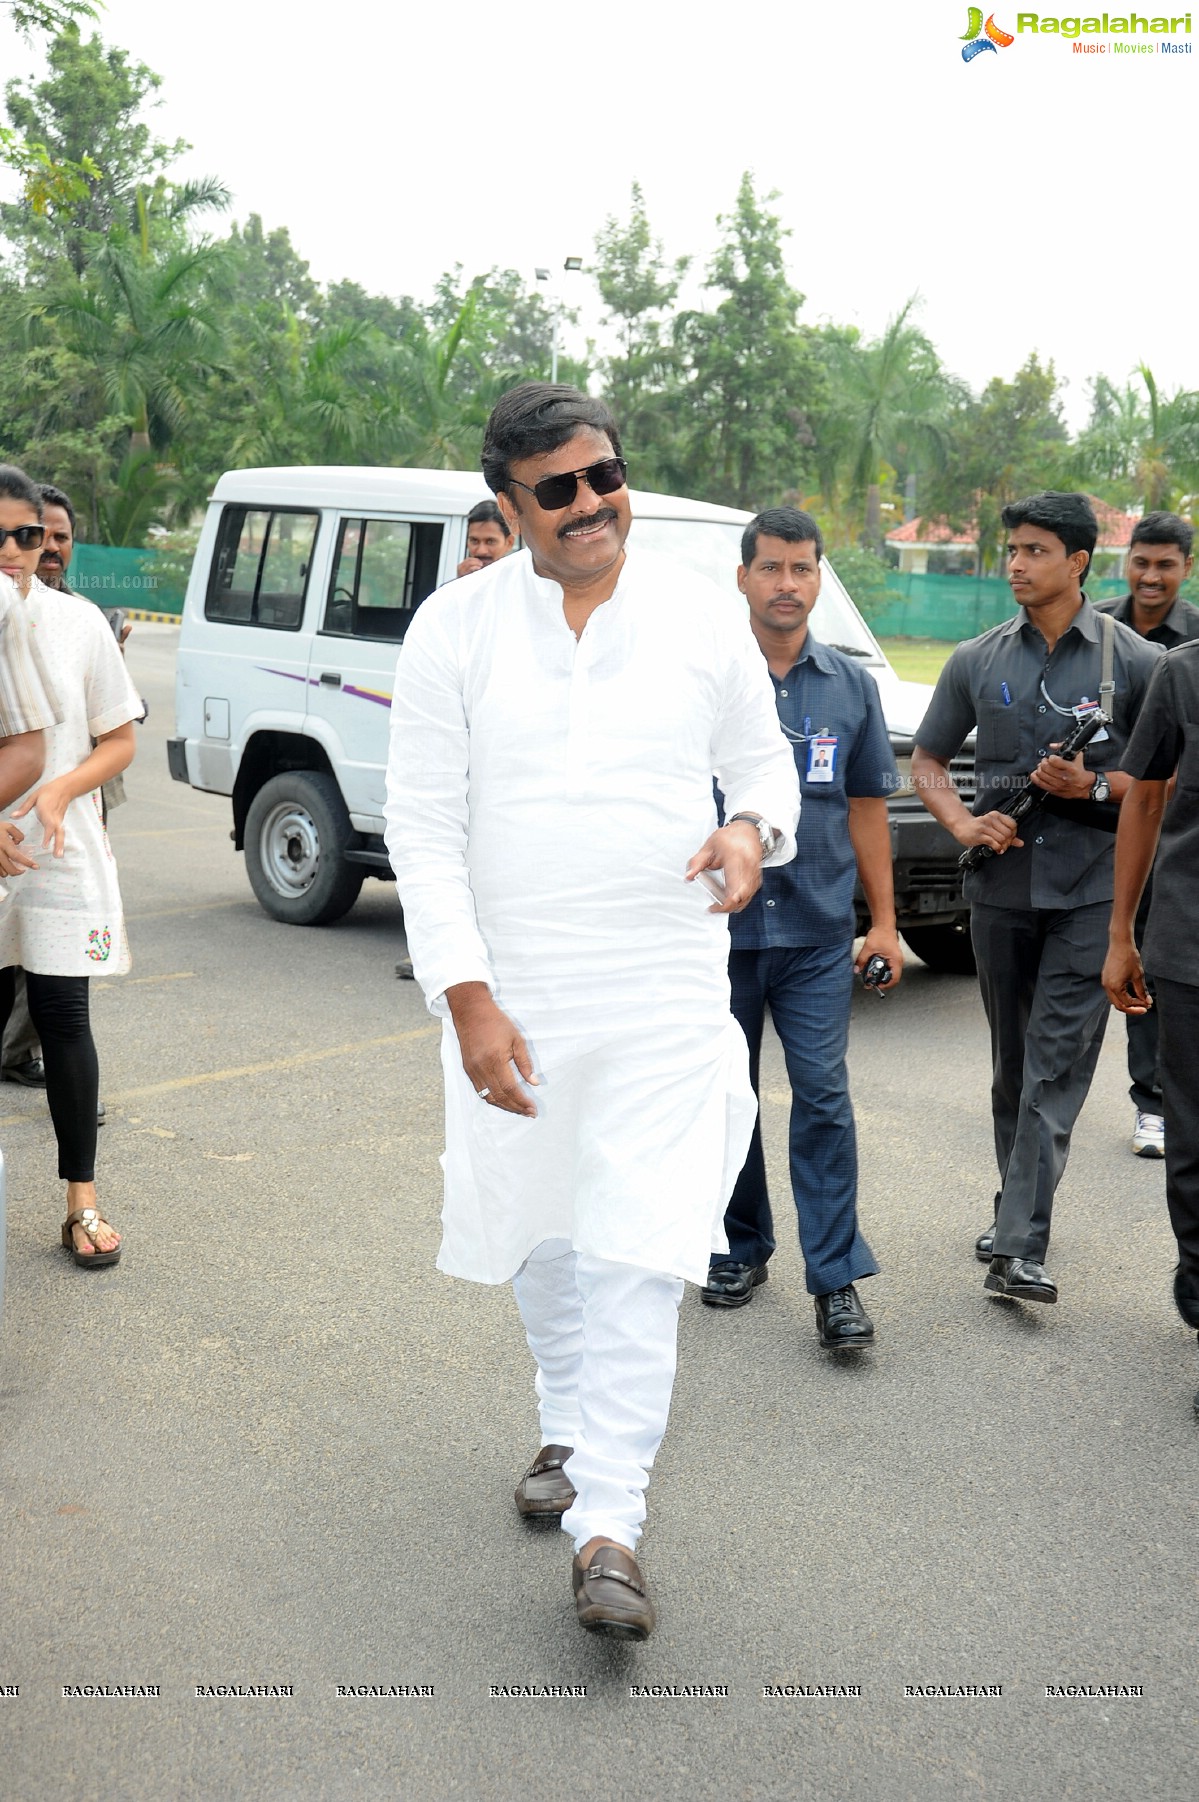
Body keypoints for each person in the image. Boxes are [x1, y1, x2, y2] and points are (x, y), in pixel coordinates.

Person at [384, 382, 799, 1638]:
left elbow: (765, 764)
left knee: (639, 1247)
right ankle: (566, 1420)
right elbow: (424, 826)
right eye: (555, 488)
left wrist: (745, 829)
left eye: (602, 475)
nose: (588, 504)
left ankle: (609, 1520)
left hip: (665, 984)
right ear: (508, 505)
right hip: (514, 991)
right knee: (545, 1230)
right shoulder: (451, 629)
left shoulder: (694, 617)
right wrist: (467, 1000)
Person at [911, 492, 1161, 1306]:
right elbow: (927, 762)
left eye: (1032, 550)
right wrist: (960, 822)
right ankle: (1013, 1205)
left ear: (1078, 562)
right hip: (1001, 892)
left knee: (1056, 1066)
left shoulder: (1137, 665)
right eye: (1010, 549)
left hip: (1092, 895)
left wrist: (1093, 785)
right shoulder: (975, 658)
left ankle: (1018, 1243)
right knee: (1012, 1067)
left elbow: (1159, 784)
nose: (1015, 564)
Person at [700, 508, 902, 1349]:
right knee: (726, 1098)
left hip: (818, 932)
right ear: (742, 577)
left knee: (821, 1097)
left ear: (819, 578)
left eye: (803, 569)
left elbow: (865, 811)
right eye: (772, 568)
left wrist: (884, 923)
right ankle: (739, 1248)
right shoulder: (705, 674)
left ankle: (835, 1282)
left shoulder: (849, 686)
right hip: (719, 934)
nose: (788, 584)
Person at [0, 463, 143, 1269]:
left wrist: (59, 791)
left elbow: (117, 737)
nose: (19, 550)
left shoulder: (78, 622)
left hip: (54, 855)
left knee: (65, 1023)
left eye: (32, 535)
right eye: (5, 535)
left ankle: (80, 1204)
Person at [1101, 639, 1199, 1398]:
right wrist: (1119, 933)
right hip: (1187, 947)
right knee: (1191, 1137)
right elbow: (1142, 794)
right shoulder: (1183, 671)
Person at [1094, 513, 1199, 1159]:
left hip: (1173, 828)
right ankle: (1151, 1102)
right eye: (1141, 562)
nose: (1150, 576)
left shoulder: (1190, 650)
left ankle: (1160, 1102)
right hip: (1098, 823)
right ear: (1124, 561)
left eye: (1164, 564)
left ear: (1184, 567)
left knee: (1165, 967)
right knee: (1139, 971)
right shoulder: (1099, 631)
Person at [455, 499, 514, 579]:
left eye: (490, 541)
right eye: (474, 541)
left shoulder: (522, 585)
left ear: (509, 543)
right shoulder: (451, 589)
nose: (481, 551)